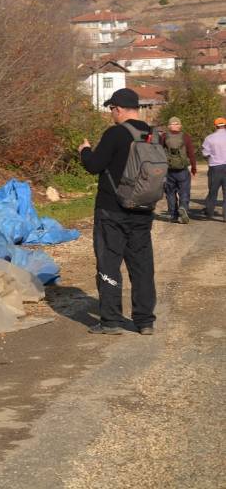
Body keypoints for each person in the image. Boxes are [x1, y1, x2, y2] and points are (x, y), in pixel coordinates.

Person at [78, 87, 156, 336]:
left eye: (112, 109)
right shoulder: (151, 134)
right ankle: (145, 321)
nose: (111, 113)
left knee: (109, 262)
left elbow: (94, 166)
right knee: (142, 265)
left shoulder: (115, 133)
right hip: (143, 209)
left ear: (119, 109)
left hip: (112, 210)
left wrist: (84, 151)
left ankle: (110, 321)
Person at [159, 116, 197, 223]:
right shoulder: (185, 137)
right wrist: (194, 167)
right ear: (180, 126)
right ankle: (183, 207)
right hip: (182, 169)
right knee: (184, 190)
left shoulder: (164, 137)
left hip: (168, 169)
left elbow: (159, 152)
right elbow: (191, 154)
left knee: (170, 192)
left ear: (168, 126)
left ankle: (173, 214)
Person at [201, 116, 226, 221]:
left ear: (215, 125)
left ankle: (210, 213)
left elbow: (205, 153)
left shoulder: (209, 138)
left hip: (215, 168)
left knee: (213, 191)